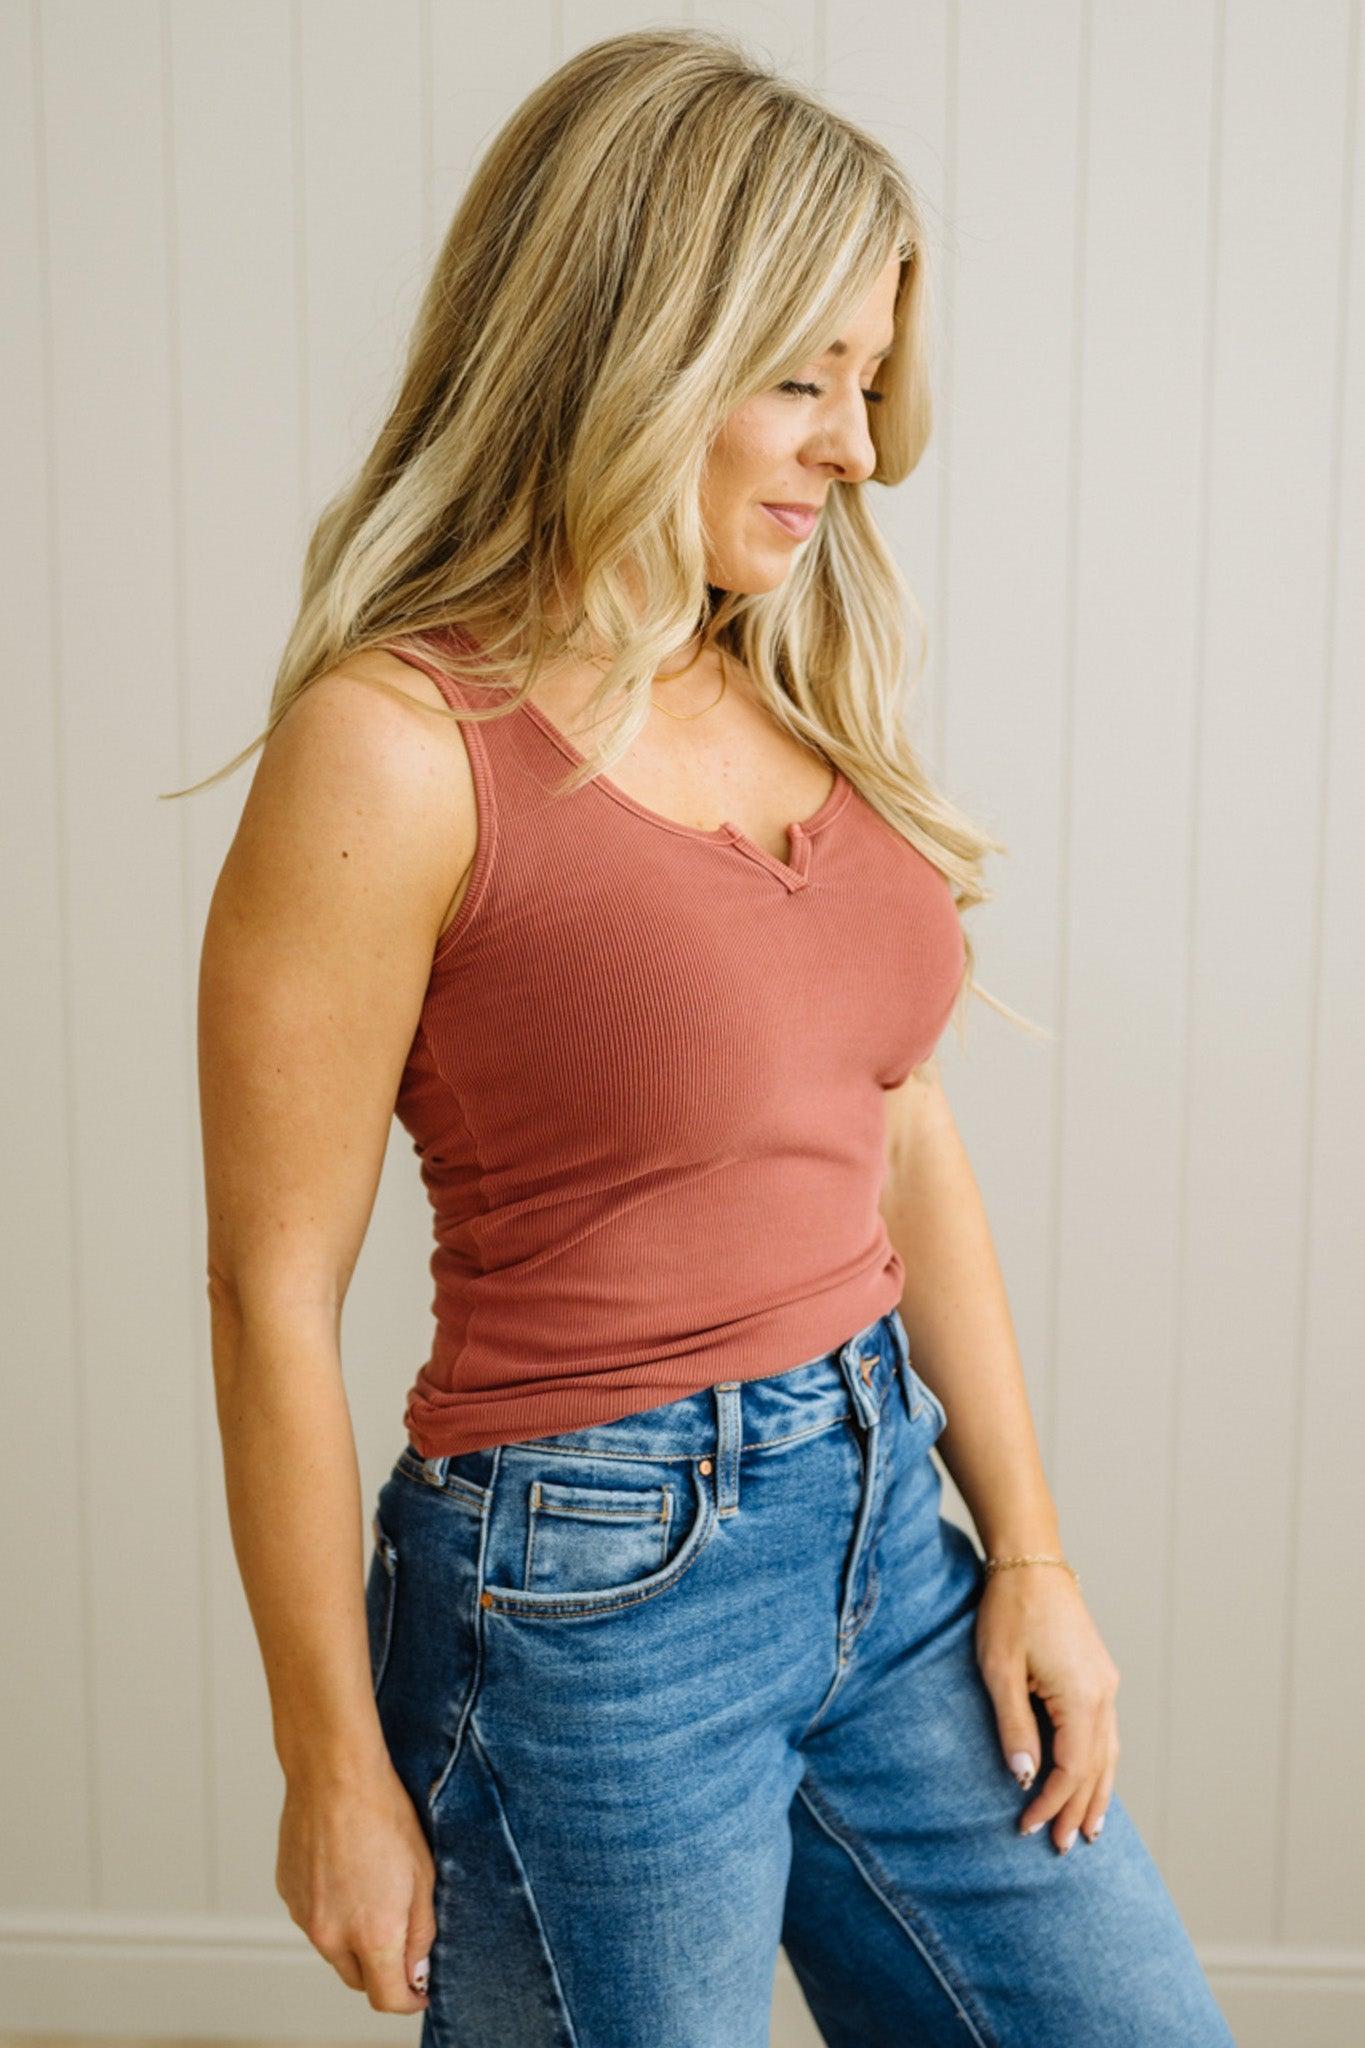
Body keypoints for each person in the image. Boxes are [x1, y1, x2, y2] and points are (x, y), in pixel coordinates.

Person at [191, 26, 1237, 2046]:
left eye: (865, 379)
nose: (855, 446)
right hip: (589, 1591)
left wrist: (1029, 1550)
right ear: (628, 344)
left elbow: (899, 1131)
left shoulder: (783, 683)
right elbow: (265, 1288)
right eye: (800, 378)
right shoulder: (395, 749)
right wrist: (328, 1757)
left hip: (880, 1512)